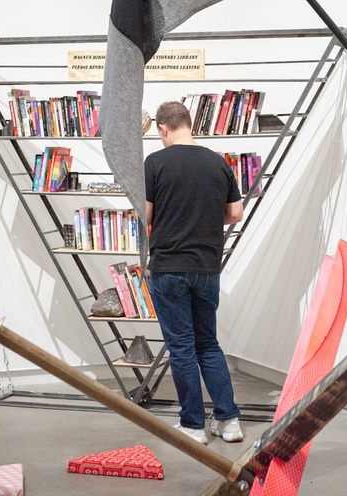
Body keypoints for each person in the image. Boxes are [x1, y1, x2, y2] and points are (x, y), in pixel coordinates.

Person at [144, 100, 245, 445]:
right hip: (206, 269)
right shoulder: (218, 162)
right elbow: (235, 214)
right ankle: (229, 421)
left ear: (163, 128)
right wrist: (201, 218)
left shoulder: (156, 162)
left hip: (170, 268)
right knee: (208, 344)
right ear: (190, 123)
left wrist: (172, 223)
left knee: (182, 347)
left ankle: (193, 425)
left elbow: (147, 217)